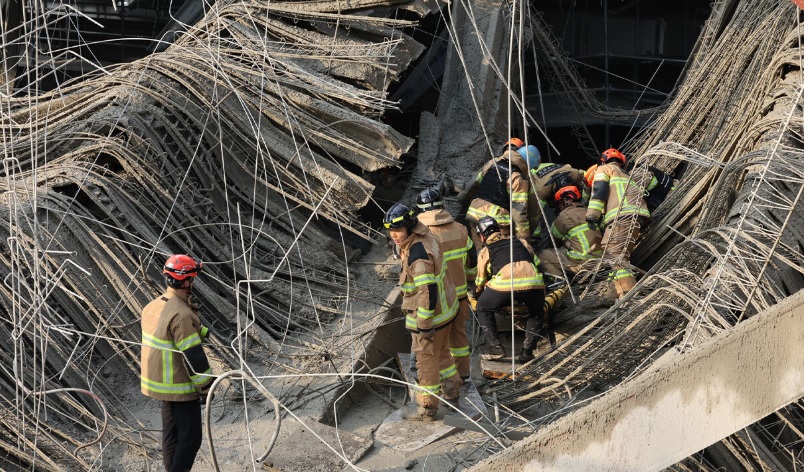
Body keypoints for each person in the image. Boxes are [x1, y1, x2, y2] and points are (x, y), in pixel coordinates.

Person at [384, 203, 462, 421]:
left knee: (425, 364)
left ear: (409, 228)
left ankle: (428, 409)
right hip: (446, 314)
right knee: (443, 355)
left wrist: (424, 324)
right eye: (391, 231)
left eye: (397, 231)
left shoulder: (417, 256)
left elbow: (427, 292)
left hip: (431, 318)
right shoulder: (427, 238)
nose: (394, 235)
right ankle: (452, 393)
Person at [141, 254, 214, 472]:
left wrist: (197, 329)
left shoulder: (153, 306)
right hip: (178, 386)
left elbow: (166, 331)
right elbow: (194, 358)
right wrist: (208, 387)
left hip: (158, 383)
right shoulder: (182, 315)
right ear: (186, 281)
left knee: (171, 436)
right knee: (191, 439)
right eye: (192, 278)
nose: (194, 283)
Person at [416, 187, 477, 384]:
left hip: (437, 299)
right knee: (459, 336)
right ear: (442, 206)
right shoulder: (459, 228)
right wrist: (470, 281)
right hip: (460, 296)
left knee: (437, 344)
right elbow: (471, 261)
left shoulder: (423, 235)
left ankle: (444, 381)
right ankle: (464, 374)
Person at [474, 216, 545, 363]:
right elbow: (537, 264)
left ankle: (496, 349)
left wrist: (478, 294)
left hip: (504, 286)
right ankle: (527, 352)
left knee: (483, 308)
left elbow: (480, 281)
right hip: (533, 283)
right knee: (537, 311)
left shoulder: (485, 251)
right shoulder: (521, 241)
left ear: (482, 236)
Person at [585, 148, 650, 301]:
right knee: (616, 255)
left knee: (615, 256)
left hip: (621, 217)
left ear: (602, 160)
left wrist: (592, 216)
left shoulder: (604, 169)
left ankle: (629, 297)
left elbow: (599, 191)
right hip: (637, 217)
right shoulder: (628, 175)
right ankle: (611, 295)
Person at [457, 138, 532, 248]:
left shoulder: (492, 163)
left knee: (482, 253)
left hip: (474, 214)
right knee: (498, 252)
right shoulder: (518, 178)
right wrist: (523, 238)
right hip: (497, 221)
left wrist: (462, 198)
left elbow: (473, 184)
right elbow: (518, 211)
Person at [538, 186, 603, 282]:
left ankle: (561, 283)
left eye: (560, 203)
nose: (559, 207)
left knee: (543, 256)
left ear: (567, 200)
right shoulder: (590, 211)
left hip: (579, 261)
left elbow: (553, 241)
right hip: (600, 259)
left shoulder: (563, 216)